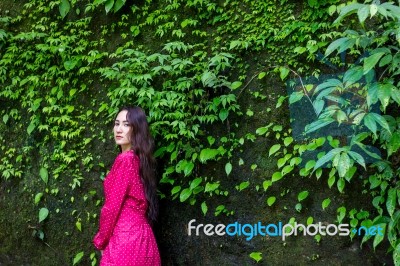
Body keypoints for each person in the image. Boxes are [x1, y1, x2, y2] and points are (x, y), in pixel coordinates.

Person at [93, 106, 161, 265]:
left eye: (126, 124)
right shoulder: (138, 160)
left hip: (125, 241)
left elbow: (111, 207)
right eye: (117, 123)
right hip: (144, 241)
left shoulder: (125, 161)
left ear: (137, 129)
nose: (119, 129)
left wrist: (101, 240)